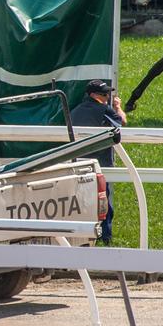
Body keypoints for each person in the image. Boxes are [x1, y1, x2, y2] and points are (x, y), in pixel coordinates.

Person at [71, 79, 127, 245]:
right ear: (92, 94)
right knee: (104, 202)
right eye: (104, 94)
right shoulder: (105, 109)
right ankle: (105, 236)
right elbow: (122, 122)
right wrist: (118, 107)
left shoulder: (75, 111)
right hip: (101, 163)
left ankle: (82, 235)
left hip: (80, 164)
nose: (106, 96)